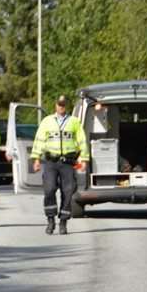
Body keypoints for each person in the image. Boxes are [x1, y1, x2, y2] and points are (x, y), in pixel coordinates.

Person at [31, 95, 89, 235]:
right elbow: (39, 140)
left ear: (66, 106)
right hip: (51, 161)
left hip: (68, 162)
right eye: (59, 104)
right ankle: (50, 220)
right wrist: (36, 159)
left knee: (68, 192)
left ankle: (63, 222)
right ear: (55, 106)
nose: (61, 107)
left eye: (63, 105)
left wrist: (84, 159)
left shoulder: (74, 122)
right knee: (49, 189)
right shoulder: (47, 121)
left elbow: (82, 140)